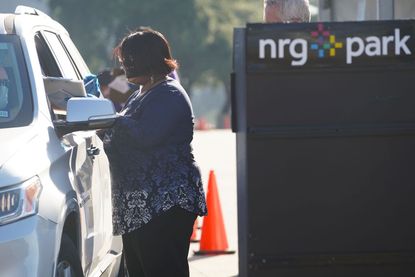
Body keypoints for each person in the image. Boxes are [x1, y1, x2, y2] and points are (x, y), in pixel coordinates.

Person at [102, 29, 207, 277]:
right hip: (140, 209)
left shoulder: (169, 94)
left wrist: (111, 121)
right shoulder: (139, 94)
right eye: (123, 60)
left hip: (165, 206)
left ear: (148, 59)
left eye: (130, 59)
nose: (124, 65)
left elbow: (144, 135)